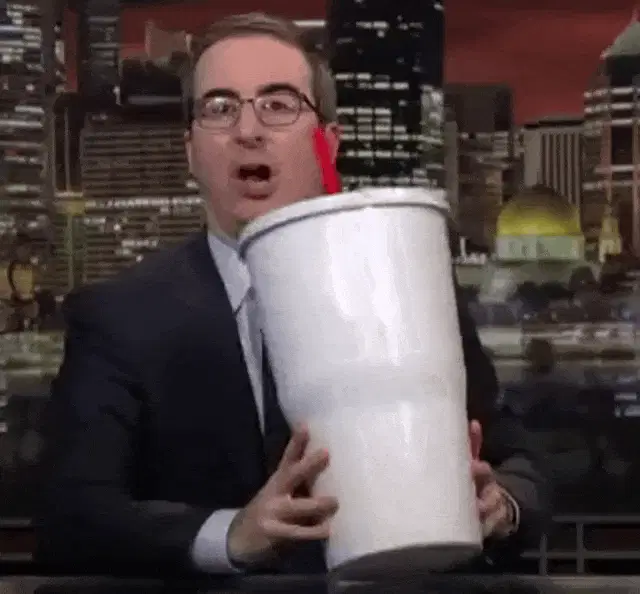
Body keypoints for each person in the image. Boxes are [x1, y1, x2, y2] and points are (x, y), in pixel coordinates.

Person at [37, 13, 550, 576]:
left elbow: (520, 464)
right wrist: (230, 535)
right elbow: (71, 517)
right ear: (190, 151)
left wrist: (500, 505)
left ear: (328, 141)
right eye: (220, 108)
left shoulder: (408, 285)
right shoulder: (119, 317)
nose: (247, 130)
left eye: (278, 104)